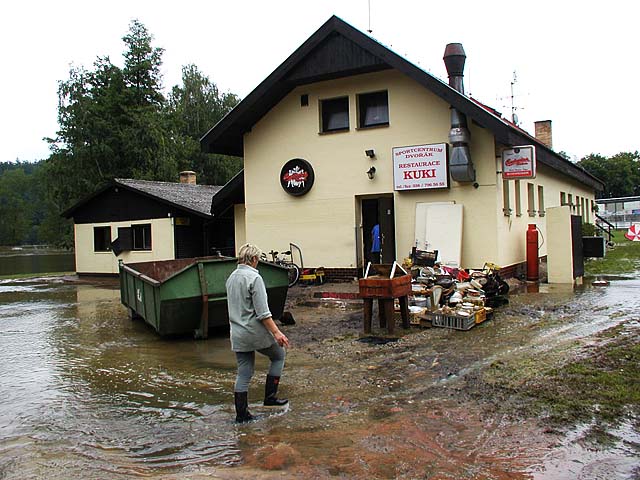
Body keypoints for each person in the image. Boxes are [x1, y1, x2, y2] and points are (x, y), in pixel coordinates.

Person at [225, 243, 290, 423]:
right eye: (258, 260)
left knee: (244, 371)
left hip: (236, 332)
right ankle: (270, 398)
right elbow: (263, 313)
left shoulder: (231, 278)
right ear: (253, 259)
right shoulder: (254, 278)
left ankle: (242, 415)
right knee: (278, 355)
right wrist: (277, 333)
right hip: (253, 331)